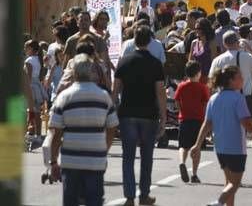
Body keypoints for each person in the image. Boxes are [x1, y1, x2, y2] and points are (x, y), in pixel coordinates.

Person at [48, 55, 119, 206]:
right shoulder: (104, 97)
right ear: (92, 73)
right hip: (96, 160)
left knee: (71, 201)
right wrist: (104, 148)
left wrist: (53, 161)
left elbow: (56, 133)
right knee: (94, 201)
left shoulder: (64, 97)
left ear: (74, 73)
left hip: (71, 161)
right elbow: (112, 127)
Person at [112, 26, 166, 206]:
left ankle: (129, 196)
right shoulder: (155, 64)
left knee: (128, 156)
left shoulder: (124, 62)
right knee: (146, 156)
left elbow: (115, 90)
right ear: (150, 41)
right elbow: (160, 92)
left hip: (127, 114)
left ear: (134, 40)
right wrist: (163, 116)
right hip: (149, 114)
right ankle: (144, 194)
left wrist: (113, 112)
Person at [191, 65, 252, 206]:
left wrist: (197, 144)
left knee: (229, 182)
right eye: (239, 76)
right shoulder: (238, 98)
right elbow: (245, 121)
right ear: (231, 81)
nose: (243, 78)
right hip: (236, 148)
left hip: (220, 148)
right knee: (235, 183)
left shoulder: (214, 98)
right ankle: (219, 202)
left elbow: (207, 123)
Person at [209, 31, 252, 119]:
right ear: (237, 42)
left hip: (224, 100)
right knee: (246, 128)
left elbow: (211, 82)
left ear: (224, 43)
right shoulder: (246, 56)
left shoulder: (217, 60)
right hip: (244, 99)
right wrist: (250, 49)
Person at [174, 60, 210, 183]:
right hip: (198, 120)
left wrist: (181, 111)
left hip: (184, 119)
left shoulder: (181, 86)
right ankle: (194, 174)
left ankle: (182, 162)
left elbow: (177, 100)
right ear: (198, 73)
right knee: (196, 147)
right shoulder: (203, 88)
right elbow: (205, 104)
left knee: (183, 146)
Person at [24, 39, 46, 136]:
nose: (25, 49)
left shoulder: (29, 60)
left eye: (26, 48)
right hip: (37, 86)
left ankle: (26, 132)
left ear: (31, 48)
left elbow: (28, 76)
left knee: (28, 110)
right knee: (37, 111)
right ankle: (38, 134)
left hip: (30, 86)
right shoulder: (38, 59)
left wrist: (25, 89)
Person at [188, 17, 218, 83]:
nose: (196, 30)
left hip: (208, 77)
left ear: (205, 29)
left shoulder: (211, 43)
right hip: (196, 78)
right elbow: (190, 62)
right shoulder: (194, 43)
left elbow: (214, 61)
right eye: (195, 28)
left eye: (198, 28)